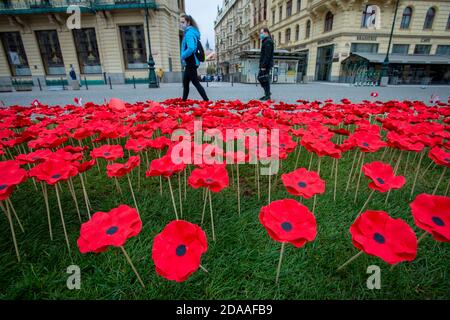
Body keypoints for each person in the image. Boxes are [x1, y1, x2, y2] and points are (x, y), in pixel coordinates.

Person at [180, 14, 209, 101]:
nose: (180, 24)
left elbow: (191, 48)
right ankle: (183, 102)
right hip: (191, 62)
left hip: (191, 62)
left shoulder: (189, 34)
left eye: (182, 22)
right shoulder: (190, 32)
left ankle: (207, 101)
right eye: (180, 22)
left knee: (195, 82)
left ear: (188, 23)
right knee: (186, 83)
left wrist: (182, 56)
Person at [258, 27, 274, 101]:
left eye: (261, 33)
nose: (260, 34)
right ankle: (267, 94)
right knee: (263, 78)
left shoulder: (268, 41)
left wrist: (263, 66)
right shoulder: (265, 41)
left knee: (263, 79)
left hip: (265, 65)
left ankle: (267, 95)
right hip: (264, 64)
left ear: (266, 32)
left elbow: (267, 55)